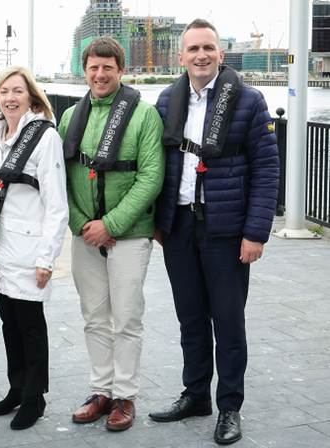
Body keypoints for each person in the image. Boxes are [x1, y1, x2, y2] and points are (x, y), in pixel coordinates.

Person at [148, 19, 279, 445]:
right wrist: (158, 221)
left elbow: (266, 170)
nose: (201, 55)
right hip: (180, 225)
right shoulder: (168, 101)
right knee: (190, 318)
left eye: (208, 48)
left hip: (226, 228)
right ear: (182, 57)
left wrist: (256, 232)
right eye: (193, 49)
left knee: (228, 321)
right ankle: (196, 393)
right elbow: (157, 166)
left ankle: (229, 407)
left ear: (220, 54)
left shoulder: (248, 101)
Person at [57, 36, 164, 432]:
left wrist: (112, 225)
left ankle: (125, 395)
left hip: (130, 235)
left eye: (108, 67)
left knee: (127, 317)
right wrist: (80, 223)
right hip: (86, 233)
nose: (100, 74)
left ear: (122, 70)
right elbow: (61, 176)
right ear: (84, 71)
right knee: (94, 316)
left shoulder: (144, 116)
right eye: (93, 67)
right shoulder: (70, 118)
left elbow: (151, 176)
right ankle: (100, 389)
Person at [0, 66, 68, 430]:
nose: (10, 98)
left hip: (28, 249)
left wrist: (47, 257)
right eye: (4, 92)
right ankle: (16, 388)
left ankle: (34, 397)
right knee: (7, 322)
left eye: (18, 91)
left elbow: (57, 204)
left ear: (31, 96)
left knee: (30, 325)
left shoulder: (45, 138)